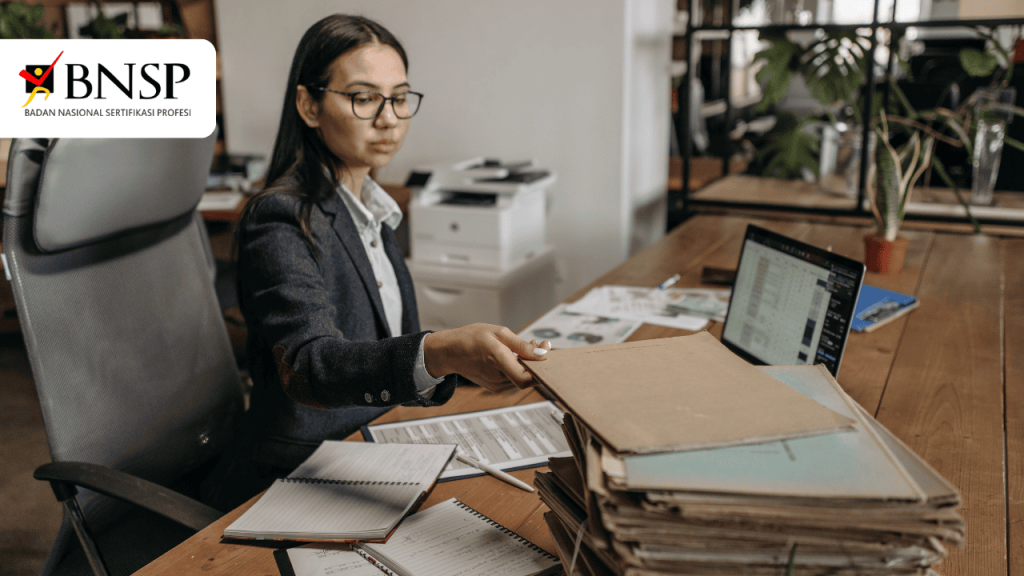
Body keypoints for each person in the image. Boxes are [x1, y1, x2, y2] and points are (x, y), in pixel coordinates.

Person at [205, 14, 550, 510]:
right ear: (309, 105)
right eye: (364, 98)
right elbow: (310, 365)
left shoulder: (371, 207)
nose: (389, 118)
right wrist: (442, 351)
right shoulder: (279, 218)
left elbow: (382, 344)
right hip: (299, 469)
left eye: (400, 97)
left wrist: (475, 360)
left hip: (376, 444)